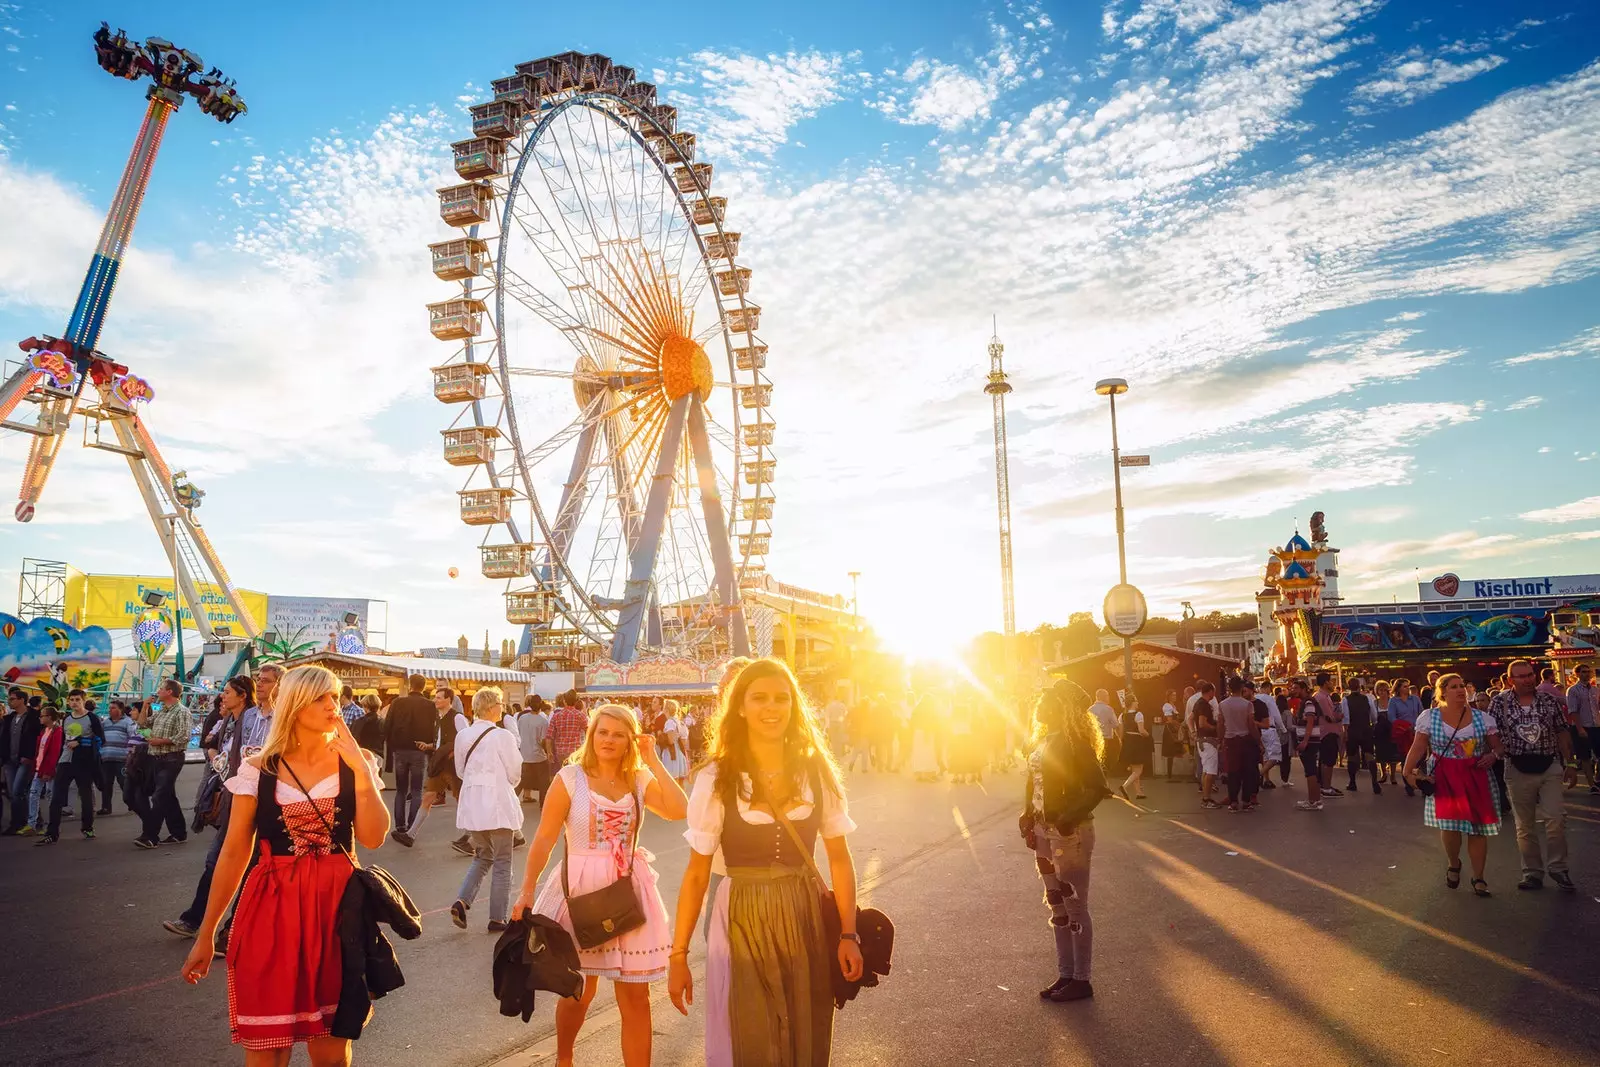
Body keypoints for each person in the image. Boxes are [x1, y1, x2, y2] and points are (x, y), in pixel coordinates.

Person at [179, 664, 390, 1061]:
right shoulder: (259, 768)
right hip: (271, 908)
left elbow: (374, 837)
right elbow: (234, 852)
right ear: (295, 705)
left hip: (337, 911)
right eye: (321, 698)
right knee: (267, 1047)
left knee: (331, 1047)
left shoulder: (356, 763)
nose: (334, 706)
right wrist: (206, 933)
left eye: (335, 695)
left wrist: (362, 772)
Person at [666, 658, 861, 1065]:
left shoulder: (816, 771)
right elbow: (698, 872)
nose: (771, 708)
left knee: (805, 1026)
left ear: (794, 706)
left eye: (781, 698)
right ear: (739, 706)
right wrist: (678, 955)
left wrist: (848, 934)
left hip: (803, 912)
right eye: (759, 698)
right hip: (740, 915)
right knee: (748, 1030)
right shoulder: (718, 777)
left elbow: (839, 861)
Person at [511, 703, 687, 1067]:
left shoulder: (639, 779)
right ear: (591, 735)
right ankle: (564, 1060)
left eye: (619, 734)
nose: (609, 740)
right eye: (603, 732)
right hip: (580, 889)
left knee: (636, 997)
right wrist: (527, 891)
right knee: (579, 989)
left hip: (627, 891)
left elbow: (677, 809)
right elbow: (543, 838)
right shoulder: (569, 778)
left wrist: (652, 760)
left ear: (629, 741)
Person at [1020, 681, 1105, 1003]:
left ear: (1062, 706)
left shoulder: (1076, 743)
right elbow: (1035, 783)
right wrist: (1027, 814)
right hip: (1044, 832)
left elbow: (1096, 787)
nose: (1040, 702)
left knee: (1075, 906)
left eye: (1048, 698)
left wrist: (1069, 816)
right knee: (1056, 904)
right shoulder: (1044, 739)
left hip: (1070, 834)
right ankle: (1066, 973)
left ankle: (1082, 980)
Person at [164, 676, 257, 939]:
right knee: (217, 863)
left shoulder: (254, 720)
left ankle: (226, 929)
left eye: (227, 692)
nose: (222, 696)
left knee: (237, 867)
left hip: (249, 800)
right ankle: (200, 922)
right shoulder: (228, 719)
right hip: (229, 796)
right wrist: (216, 755)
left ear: (242, 695)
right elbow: (210, 741)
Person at [1403, 673, 1502, 897]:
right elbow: (1418, 747)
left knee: (1477, 829)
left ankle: (1478, 877)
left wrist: (1493, 756)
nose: (1460, 690)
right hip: (1445, 776)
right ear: (1442, 692)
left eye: (1462, 686)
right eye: (1454, 687)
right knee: (1450, 826)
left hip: (1476, 775)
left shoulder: (1482, 718)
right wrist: (1407, 771)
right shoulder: (1429, 717)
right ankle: (1453, 862)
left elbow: (1498, 747)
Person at [1491, 659, 1577, 892]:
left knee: (1556, 818)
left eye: (1530, 674)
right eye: (1522, 676)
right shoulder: (1500, 702)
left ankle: (1559, 869)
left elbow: (1562, 731)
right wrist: (1495, 752)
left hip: (1549, 765)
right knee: (1525, 825)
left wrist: (1570, 763)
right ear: (1511, 680)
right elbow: (1491, 733)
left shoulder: (1548, 700)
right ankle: (1532, 873)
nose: (1529, 679)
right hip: (1517, 767)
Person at [451, 687, 524, 932]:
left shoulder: (463, 735)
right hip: (497, 801)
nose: (502, 709)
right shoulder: (503, 736)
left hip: (472, 801)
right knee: (503, 860)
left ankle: (462, 900)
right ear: (493, 708)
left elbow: (460, 770)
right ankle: (497, 917)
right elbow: (515, 770)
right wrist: (506, 783)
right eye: (500, 705)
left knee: (483, 855)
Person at [38, 689, 104, 844]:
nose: (74, 703)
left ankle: (87, 827)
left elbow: (101, 739)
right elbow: (63, 741)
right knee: (56, 798)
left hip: (84, 763)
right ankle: (52, 833)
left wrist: (81, 742)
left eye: (77, 700)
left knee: (86, 796)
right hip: (65, 761)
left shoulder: (92, 718)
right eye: (71, 700)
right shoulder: (66, 718)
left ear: (83, 700)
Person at [138, 679, 192, 848]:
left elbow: (183, 736)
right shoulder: (162, 711)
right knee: (167, 796)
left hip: (171, 758)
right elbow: (142, 724)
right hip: (157, 758)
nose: (158, 691)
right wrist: (145, 707)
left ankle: (150, 836)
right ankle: (178, 832)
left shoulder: (182, 712)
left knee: (159, 796)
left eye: (161, 689)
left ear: (170, 692)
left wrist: (160, 741)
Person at [383, 674, 436, 836]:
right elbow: (435, 730)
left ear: (410, 685)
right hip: (420, 751)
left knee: (400, 790)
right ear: (424, 687)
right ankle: (412, 826)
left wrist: (392, 745)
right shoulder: (430, 706)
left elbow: (387, 726)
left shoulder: (398, 703)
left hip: (400, 751)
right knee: (416, 790)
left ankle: (399, 825)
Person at [1216, 678, 1260, 812]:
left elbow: (1220, 723)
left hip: (1230, 740)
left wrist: (1220, 739)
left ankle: (1233, 801)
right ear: (1241, 687)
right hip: (1245, 739)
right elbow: (1251, 725)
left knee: (1232, 771)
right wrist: (1258, 741)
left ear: (1229, 688)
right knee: (1247, 771)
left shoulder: (1223, 704)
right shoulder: (1247, 705)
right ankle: (1246, 801)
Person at [26, 706, 63, 834]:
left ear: (49, 717)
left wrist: (49, 770)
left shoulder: (57, 731)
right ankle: (32, 823)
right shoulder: (44, 731)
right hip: (39, 767)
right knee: (33, 794)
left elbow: (54, 752)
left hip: (48, 769)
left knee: (50, 796)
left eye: (42, 716)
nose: (40, 718)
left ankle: (49, 825)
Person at [98, 699, 137, 815]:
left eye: (113, 708)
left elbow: (133, 738)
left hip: (122, 759)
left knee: (124, 783)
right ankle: (106, 807)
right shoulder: (105, 723)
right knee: (106, 784)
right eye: (110, 708)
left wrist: (130, 755)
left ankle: (133, 804)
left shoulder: (128, 722)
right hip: (106, 759)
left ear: (121, 710)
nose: (110, 710)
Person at [1566, 665, 1599, 794]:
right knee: (1585, 756)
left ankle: (1597, 778)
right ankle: (1591, 785)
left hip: (1596, 725)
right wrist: (1580, 729)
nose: (1587, 674)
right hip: (1582, 726)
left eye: (1588, 672)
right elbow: (1573, 711)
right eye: (1583, 672)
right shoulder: (1573, 690)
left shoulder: (1595, 690)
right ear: (1577, 674)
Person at [1311, 672, 1344, 799]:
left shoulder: (1325, 696)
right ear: (1325, 683)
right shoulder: (1322, 697)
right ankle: (1326, 787)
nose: (1332, 684)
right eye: (1330, 681)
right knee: (1328, 761)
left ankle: (1325, 785)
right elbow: (1329, 717)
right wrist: (1339, 717)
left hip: (1328, 732)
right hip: (1328, 732)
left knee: (1326, 760)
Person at [1344, 677, 1380, 794]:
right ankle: (1374, 782)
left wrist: (1345, 732)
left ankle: (1352, 782)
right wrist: (1373, 724)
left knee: (1352, 756)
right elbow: (1374, 715)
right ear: (1359, 686)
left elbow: (1346, 718)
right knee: (1370, 755)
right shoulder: (1367, 698)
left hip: (1353, 730)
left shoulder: (1345, 700)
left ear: (1349, 687)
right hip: (1366, 729)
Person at [516, 695, 551, 804]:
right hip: (538, 756)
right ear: (541, 706)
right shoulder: (543, 721)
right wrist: (548, 751)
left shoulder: (522, 718)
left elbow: (518, 733)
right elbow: (542, 740)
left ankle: (510, 801)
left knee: (520, 780)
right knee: (543, 781)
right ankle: (543, 804)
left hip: (524, 754)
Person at [1247, 680, 1281, 790]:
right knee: (1275, 756)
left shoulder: (1253, 700)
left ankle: (1267, 780)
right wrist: (1283, 729)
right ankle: (1259, 775)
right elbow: (1276, 715)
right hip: (1269, 729)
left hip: (1258, 730)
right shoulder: (1268, 699)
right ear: (1267, 688)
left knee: (1265, 756)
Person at [1191, 684, 1220, 807]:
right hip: (1208, 740)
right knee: (1211, 771)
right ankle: (1206, 799)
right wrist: (1214, 727)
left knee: (1206, 770)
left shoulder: (1198, 703)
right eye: (1214, 691)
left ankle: (1205, 796)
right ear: (1210, 691)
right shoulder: (1204, 705)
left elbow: (1190, 718)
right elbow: (1202, 723)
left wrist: (1193, 731)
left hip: (1201, 740)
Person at [1115, 698, 1150, 800]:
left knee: (1135, 770)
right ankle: (1124, 786)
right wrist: (1148, 735)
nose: (1138, 702)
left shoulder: (1122, 715)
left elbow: (1120, 733)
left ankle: (1139, 792)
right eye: (1136, 701)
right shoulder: (1138, 715)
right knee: (1138, 770)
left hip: (1127, 742)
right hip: (1137, 741)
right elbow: (1141, 730)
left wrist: (1121, 743)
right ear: (1133, 703)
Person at [547, 690, 589, 768]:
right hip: (575, 751)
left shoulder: (556, 716)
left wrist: (549, 751)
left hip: (560, 751)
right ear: (576, 701)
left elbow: (549, 736)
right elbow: (588, 732)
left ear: (564, 701)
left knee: (564, 773)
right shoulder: (580, 715)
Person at [1372, 681, 1400, 786]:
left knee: (1393, 753)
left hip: (1391, 729)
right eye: (1380, 690)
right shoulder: (1375, 703)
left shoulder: (1392, 702)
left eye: (1385, 690)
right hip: (1380, 731)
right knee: (1380, 753)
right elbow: (1373, 717)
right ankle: (1383, 774)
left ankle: (1393, 775)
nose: (1383, 692)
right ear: (1377, 691)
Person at [658, 698, 689, 787]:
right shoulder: (678, 721)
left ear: (666, 710)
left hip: (671, 754)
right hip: (678, 752)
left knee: (672, 781)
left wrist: (662, 736)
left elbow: (670, 741)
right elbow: (683, 739)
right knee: (680, 782)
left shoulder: (669, 722)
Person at [1159, 691, 1185, 781]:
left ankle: (1171, 774)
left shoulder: (1173, 706)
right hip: (1170, 730)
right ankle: (1169, 775)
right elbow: (1169, 720)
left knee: (1174, 751)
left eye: (1175, 695)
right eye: (1173, 695)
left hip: (1175, 729)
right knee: (1170, 752)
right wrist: (1179, 724)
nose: (1175, 696)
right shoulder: (1167, 706)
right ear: (1169, 696)